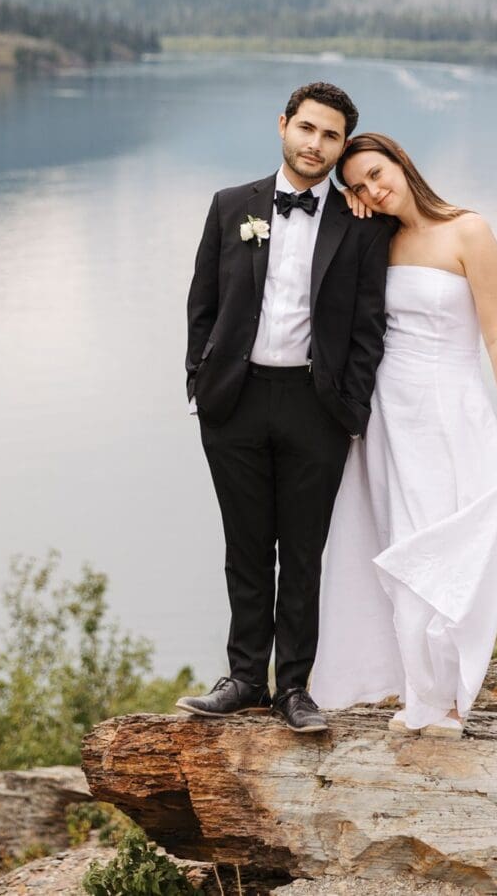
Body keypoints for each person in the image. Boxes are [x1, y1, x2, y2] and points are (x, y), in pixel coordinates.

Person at [177, 83, 394, 733]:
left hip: (314, 407)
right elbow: (202, 302)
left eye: (330, 136)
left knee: (302, 553)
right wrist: (199, 384)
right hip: (234, 403)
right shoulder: (230, 205)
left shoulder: (361, 224)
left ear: (341, 146)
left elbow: (368, 328)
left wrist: (348, 410)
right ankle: (244, 678)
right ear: (283, 125)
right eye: (306, 128)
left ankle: (294, 688)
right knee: (245, 547)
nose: (314, 144)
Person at [310, 131, 497, 736]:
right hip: (388, 412)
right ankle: (420, 695)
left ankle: (454, 695)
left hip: (448, 407)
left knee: (445, 542)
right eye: (357, 187)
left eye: (376, 174)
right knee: (398, 543)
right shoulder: (376, 239)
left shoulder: (469, 230)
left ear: (401, 162)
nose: (372, 190)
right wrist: (348, 212)